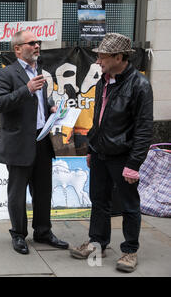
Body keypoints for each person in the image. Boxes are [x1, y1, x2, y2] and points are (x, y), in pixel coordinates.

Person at [69, 33, 153, 273]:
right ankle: (97, 243)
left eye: (103, 56)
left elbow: (145, 129)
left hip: (123, 157)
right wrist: (91, 148)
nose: (98, 61)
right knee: (99, 201)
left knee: (128, 205)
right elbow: (98, 119)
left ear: (119, 56)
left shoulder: (140, 85)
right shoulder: (103, 81)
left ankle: (129, 251)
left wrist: (134, 164)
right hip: (100, 153)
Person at [0, 30, 69, 255]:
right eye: (31, 43)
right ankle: (18, 234)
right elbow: (0, 101)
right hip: (18, 143)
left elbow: (39, 102)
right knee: (17, 193)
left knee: (43, 190)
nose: (37, 46)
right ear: (18, 49)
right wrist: (26, 89)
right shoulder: (8, 74)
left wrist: (51, 108)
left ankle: (43, 231)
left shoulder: (39, 72)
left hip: (41, 140)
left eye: (38, 42)